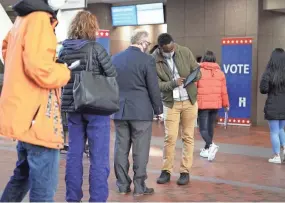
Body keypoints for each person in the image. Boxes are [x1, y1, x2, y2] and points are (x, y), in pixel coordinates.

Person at [0, 0, 70, 202]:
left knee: (23, 176)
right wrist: (63, 71)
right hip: (39, 118)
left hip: (27, 114)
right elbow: (41, 70)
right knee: (44, 189)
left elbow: (7, 51)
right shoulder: (40, 20)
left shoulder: (22, 19)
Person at [58, 11, 116, 202]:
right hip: (95, 106)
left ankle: (72, 198)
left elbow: (59, 75)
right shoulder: (96, 49)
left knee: (74, 155)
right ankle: (97, 199)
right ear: (93, 28)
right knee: (98, 157)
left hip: (73, 108)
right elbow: (111, 73)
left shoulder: (64, 50)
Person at [112, 29, 163, 196]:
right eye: (147, 43)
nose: (147, 46)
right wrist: (158, 110)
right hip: (141, 112)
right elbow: (153, 87)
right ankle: (140, 187)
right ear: (142, 42)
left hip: (120, 110)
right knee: (140, 150)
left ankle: (122, 185)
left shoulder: (116, 59)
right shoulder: (147, 60)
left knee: (121, 148)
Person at [152, 33, 201, 185]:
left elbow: (197, 71)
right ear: (161, 49)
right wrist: (173, 83)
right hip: (170, 103)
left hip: (189, 101)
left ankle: (185, 171)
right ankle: (166, 171)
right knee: (170, 137)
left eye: (173, 48)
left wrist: (192, 77)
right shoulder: (154, 59)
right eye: (167, 50)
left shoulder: (184, 51)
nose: (171, 51)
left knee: (188, 137)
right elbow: (156, 85)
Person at [197, 51, 229, 161]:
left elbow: (193, 88)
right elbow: (224, 91)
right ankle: (207, 149)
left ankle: (211, 145)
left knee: (202, 129)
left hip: (202, 104)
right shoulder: (220, 73)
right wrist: (226, 104)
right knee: (210, 127)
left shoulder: (199, 72)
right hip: (215, 104)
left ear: (203, 59)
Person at [260, 48, 285, 164]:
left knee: (274, 131)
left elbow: (263, 89)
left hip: (273, 105)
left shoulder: (269, 72)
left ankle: (277, 156)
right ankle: (284, 150)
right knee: (280, 129)